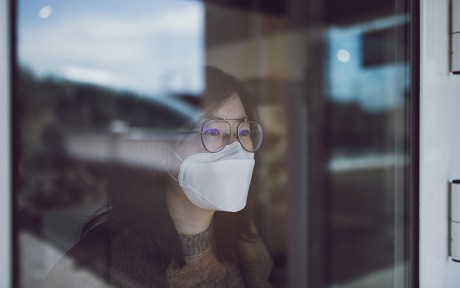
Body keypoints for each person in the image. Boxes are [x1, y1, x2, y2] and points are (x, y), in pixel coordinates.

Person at [40, 66, 273, 288]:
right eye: (212, 131)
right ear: (162, 150)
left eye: (243, 131)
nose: (234, 147)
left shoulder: (244, 241)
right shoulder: (96, 266)